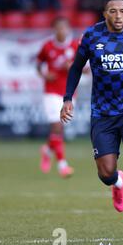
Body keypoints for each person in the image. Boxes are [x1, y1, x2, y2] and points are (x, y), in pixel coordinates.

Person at [60, 0, 123, 239]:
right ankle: (117, 182)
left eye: (122, 11)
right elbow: (75, 67)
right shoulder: (92, 36)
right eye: (112, 11)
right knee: (105, 173)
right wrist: (67, 99)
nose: (118, 16)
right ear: (105, 14)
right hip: (102, 112)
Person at [37, 16, 77, 178]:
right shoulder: (47, 46)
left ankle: (47, 150)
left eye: (64, 27)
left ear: (68, 29)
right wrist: (44, 75)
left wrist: (73, 67)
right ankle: (63, 166)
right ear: (54, 29)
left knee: (58, 128)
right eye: (58, 27)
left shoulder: (75, 46)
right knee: (57, 126)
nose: (62, 30)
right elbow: (38, 64)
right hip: (51, 92)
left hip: (68, 93)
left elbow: (86, 69)